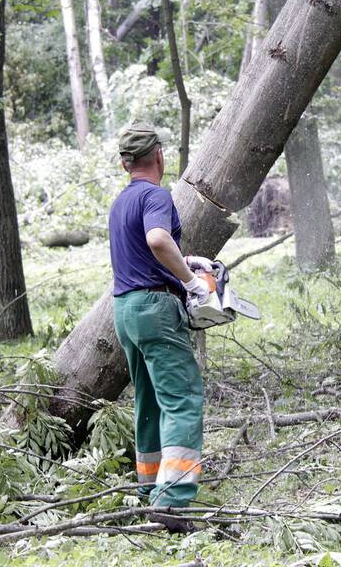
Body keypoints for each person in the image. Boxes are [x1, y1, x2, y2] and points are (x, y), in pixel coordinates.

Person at [108, 124, 214, 532]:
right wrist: (190, 282)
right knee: (182, 397)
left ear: (124, 163)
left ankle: (150, 487)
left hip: (126, 309)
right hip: (154, 307)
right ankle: (172, 503)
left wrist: (187, 264)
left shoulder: (121, 202)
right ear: (159, 156)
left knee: (148, 401)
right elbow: (156, 239)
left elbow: (144, 250)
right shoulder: (156, 195)